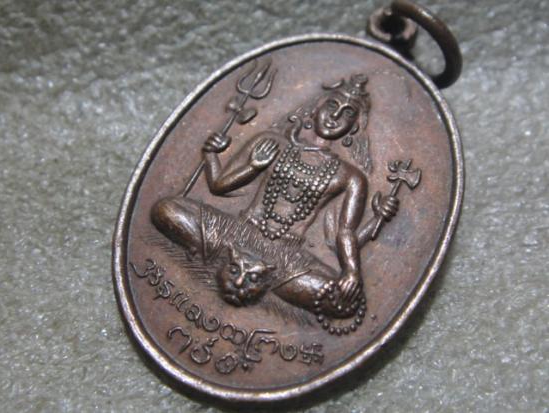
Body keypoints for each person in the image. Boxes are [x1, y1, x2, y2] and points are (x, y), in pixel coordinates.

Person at [151, 74, 398, 319]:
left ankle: (239, 267)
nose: (335, 116)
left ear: (354, 126)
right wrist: (232, 161)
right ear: (316, 108)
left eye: (347, 113)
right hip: (238, 232)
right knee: (165, 210)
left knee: (345, 301)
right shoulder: (271, 142)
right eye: (332, 105)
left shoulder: (351, 177)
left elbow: (344, 233)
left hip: (285, 254)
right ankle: (235, 264)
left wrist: (352, 271)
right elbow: (218, 186)